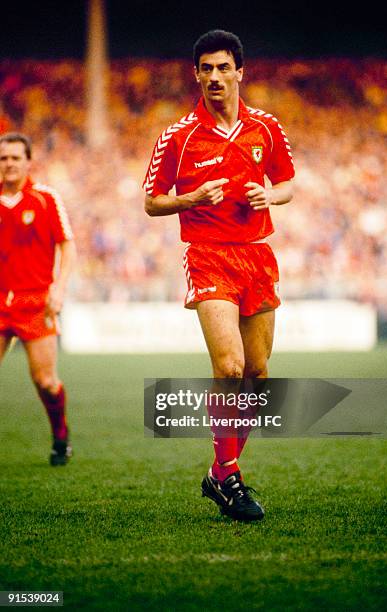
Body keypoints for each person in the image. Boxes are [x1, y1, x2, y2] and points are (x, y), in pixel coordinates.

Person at [143, 30, 295, 520]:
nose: (214, 77)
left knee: (256, 374)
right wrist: (189, 199)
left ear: (239, 72)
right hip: (208, 254)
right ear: (196, 74)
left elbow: (288, 182)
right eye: (205, 69)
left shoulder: (265, 127)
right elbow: (151, 201)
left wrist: (268, 196)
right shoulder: (179, 136)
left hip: (256, 255)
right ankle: (230, 476)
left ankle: (217, 472)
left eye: (222, 68)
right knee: (228, 367)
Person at [0, 132, 76, 465]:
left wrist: (58, 289)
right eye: (3, 158)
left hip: (36, 302)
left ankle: (60, 436)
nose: (9, 164)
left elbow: (67, 244)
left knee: (46, 382)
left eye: (16, 157)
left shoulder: (45, 198)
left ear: (28, 161)